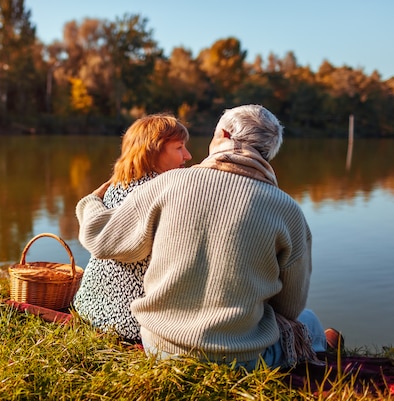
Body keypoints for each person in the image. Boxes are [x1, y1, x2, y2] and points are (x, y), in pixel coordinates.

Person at [75, 104, 327, 370]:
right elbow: (289, 308)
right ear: (268, 152)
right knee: (309, 321)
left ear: (224, 136)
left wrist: (90, 202)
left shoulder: (168, 183)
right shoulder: (288, 211)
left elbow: (100, 239)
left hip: (160, 347)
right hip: (242, 360)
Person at [73, 113, 192, 342]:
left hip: (87, 306)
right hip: (129, 321)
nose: (187, 155)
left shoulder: (117, 186)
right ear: (153, 150)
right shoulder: (160, 194)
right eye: (179, 148)